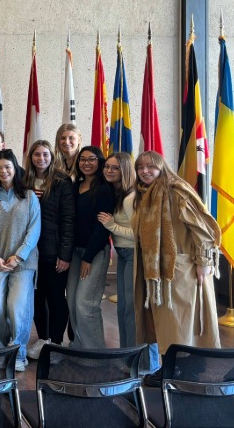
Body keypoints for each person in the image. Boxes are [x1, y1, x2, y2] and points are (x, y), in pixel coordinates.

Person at [134, 152, 219, 384]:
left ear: (162, 167)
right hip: (159, 271)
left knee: (181, 324)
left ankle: (180, 371)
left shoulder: (176, 190)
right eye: (140, 167)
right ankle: (176, 368)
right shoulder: (148, 194)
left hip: (180, 270)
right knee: (168, 323)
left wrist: (204, 262)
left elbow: (203, 229)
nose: (145, 171)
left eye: (151, 167)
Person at [0, 149, 40, 372]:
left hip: (23, 263)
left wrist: (19, 255)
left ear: (15, 168)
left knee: (17, 306)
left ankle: (18, 353)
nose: (3, 171)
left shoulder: (29, 196)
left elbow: (34, 229)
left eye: (7, 167)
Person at [98, 152, 159, 372]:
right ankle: (128, 357)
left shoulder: (131, 197)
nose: (109, 171)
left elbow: (142, 233)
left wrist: (112, 226)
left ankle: (146, 364)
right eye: (106, 167)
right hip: (123, 253)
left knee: (135, 310)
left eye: (115, 168)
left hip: (135, 253)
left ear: (125, 170)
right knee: (124, 308)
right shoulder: (118, 193)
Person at [23, 140, 75, 360]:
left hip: (53, 252)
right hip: (29, 251)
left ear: (51, 157)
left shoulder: (62, 181)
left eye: (45, 155)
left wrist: (64, 255)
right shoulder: (23, 180)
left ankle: (56, 342)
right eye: (37, 154)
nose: (41, 159)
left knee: (55, 298)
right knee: (36, 297)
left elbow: (69, 219)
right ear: (31, 157)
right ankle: (43, 338)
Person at [65, 146, 114, 349]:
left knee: (86, 304)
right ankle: (79, 345)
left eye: (91, 159)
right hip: (75, 252)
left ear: (99, 161)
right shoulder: (75, 186)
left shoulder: (105, 189)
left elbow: (102, 228)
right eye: (83, 159)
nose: (86, 163)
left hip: (94, 253)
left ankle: (95, 352)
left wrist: (88, 257)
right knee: (72, 302)